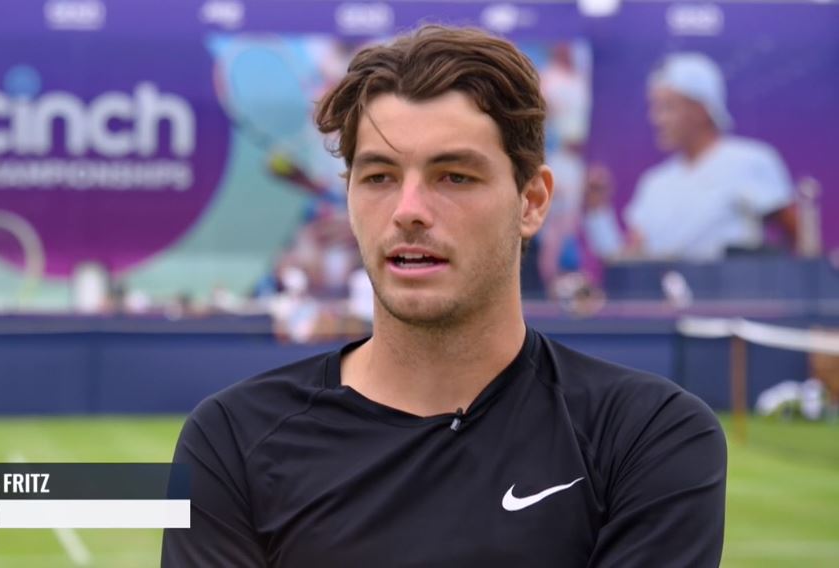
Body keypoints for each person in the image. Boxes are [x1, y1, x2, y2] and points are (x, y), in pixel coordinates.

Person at [163, 26, 726, 566]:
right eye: (379, 177)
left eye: (454, 176)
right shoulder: (229, 439)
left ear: (532, 202)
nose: (408, 210)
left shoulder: (651, 434)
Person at [585, 52, 796, 262]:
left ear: (700, 110)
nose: (657, 119)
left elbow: (798, 239)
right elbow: (629, 262)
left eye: (667, 107)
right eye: (655, 108)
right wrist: (597, 212)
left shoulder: (752, 162)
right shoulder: (654, 183)